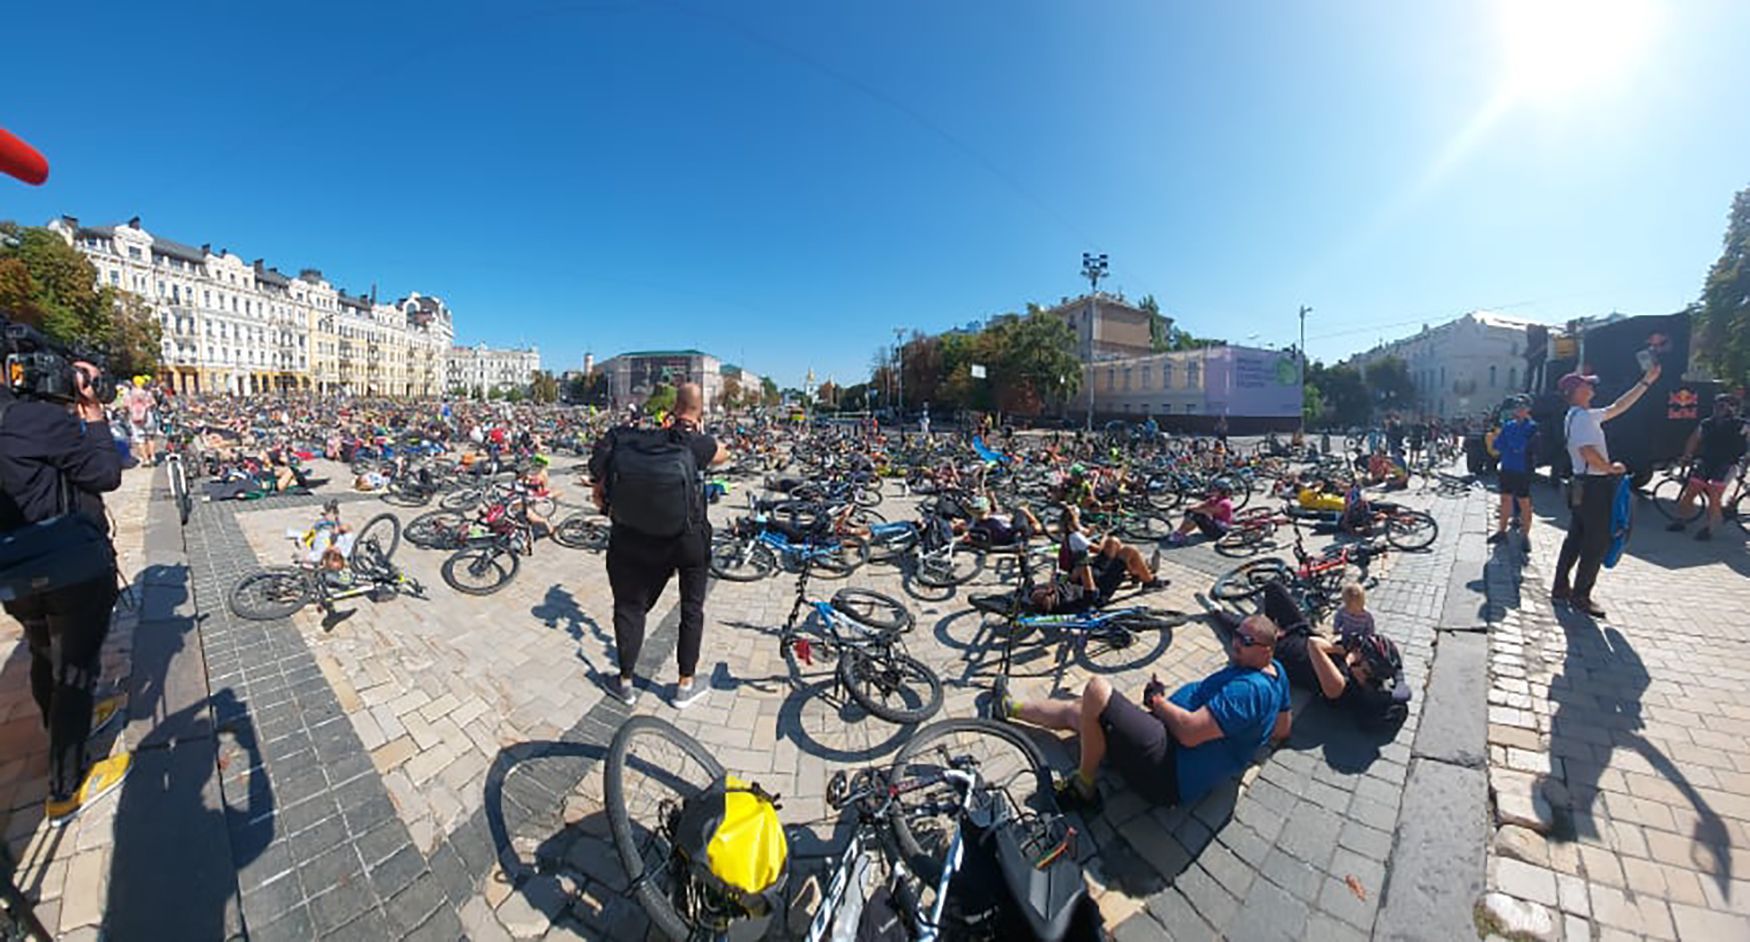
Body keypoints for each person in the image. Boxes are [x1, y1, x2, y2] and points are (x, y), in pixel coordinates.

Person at [0, 359, 130, 824]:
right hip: (66, 565)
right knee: (74, 670)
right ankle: (65, 788)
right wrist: (92, 412)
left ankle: (60, 734)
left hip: (12, 568)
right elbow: (104, 473)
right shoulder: (32, 419)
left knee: (41, 652)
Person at [990, 613, 1290, 810]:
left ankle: (1083, 786)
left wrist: (1158, 702)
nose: (1235, 643)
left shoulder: (1249, 690)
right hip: (1165, 744)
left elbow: (1189, 734)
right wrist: (1242, 747)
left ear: (1265, 649)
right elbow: (1281, 729)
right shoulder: (1275, 671)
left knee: (1096, 690)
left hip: (1169, 765)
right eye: (1236, 634)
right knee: (1085, 712)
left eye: (1245, 641)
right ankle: (1008, 708)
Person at [591, 382, 727, 707]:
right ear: (698, 412)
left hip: (634, 538)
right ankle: (684, 686)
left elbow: (597, 479)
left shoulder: (623, 439)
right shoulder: (696, 444)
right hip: (689, 540)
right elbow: (723, 453)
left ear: (671, 409)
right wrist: (695, 429)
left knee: (630, 607)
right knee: (691, 609)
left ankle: (624, 682)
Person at [1551, 362, 1660, 618]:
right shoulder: (1583, 419)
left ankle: (1561, 587)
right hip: (1594, 486)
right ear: (1577, 391)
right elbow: (1587, 451)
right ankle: (1581, 595)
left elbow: (1618, 407)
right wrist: (1611, 468)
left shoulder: (1578, 416)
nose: (1591, 386)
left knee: (1575, 537)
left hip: (1583, 484)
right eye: (1586, 383)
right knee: (1596, 542)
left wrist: (1645, 383)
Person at [1256, 581, 1408, 727]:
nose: (1358, 649)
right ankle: (1268, 626)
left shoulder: (1339, 686)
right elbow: (1401, 683)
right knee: (1273, 587)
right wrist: (1398, 675)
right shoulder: (1372, 675)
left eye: (1360, 653)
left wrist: (1341, 651)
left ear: (1366, 670)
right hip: (1301, 631)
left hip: (1280, 649)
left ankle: (1266, 631)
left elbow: (1314, 645)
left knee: (1241, 628)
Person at [1667, 394, 1747, 541]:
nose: (1720, 409)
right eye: (1718, 405)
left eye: (1724, 406)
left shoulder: (1742, 425)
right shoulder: (1706, 423)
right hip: (1706, 461)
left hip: (1727, 464)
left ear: (1734, 408)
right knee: (1690, 491)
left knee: (1715, 494)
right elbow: (1694, 439)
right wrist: (1687, 456)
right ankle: (1680, 520)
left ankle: (1709, 529)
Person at [1489, 396, 1538, 551]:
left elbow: (1521, 447)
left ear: (1528, 409)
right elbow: (1497, 445)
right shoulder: (1508, 426)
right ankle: (1501, 531)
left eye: (1523, 407)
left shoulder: (1532, 427)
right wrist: (1510, 443)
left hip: (1522, 469)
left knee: (1524, 503)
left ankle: (1525, 536)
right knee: (1505, 500)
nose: (1519, 410)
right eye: (1517, 407)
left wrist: (1510, 444)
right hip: (1507, 467)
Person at [1166, 479, 1235, 546]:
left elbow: (1207, 510)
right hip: (1214, 525)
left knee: (1198, 516)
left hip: (1219, 531)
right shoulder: (1214, 499)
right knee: (1191, 512)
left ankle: (1180, 535)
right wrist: (1190, 507)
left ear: (1221, 491)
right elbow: (1201, 504)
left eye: (1215, 489)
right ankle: (1179, 532)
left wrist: (1193, 509)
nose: (1212, 490)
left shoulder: (1225, 503)